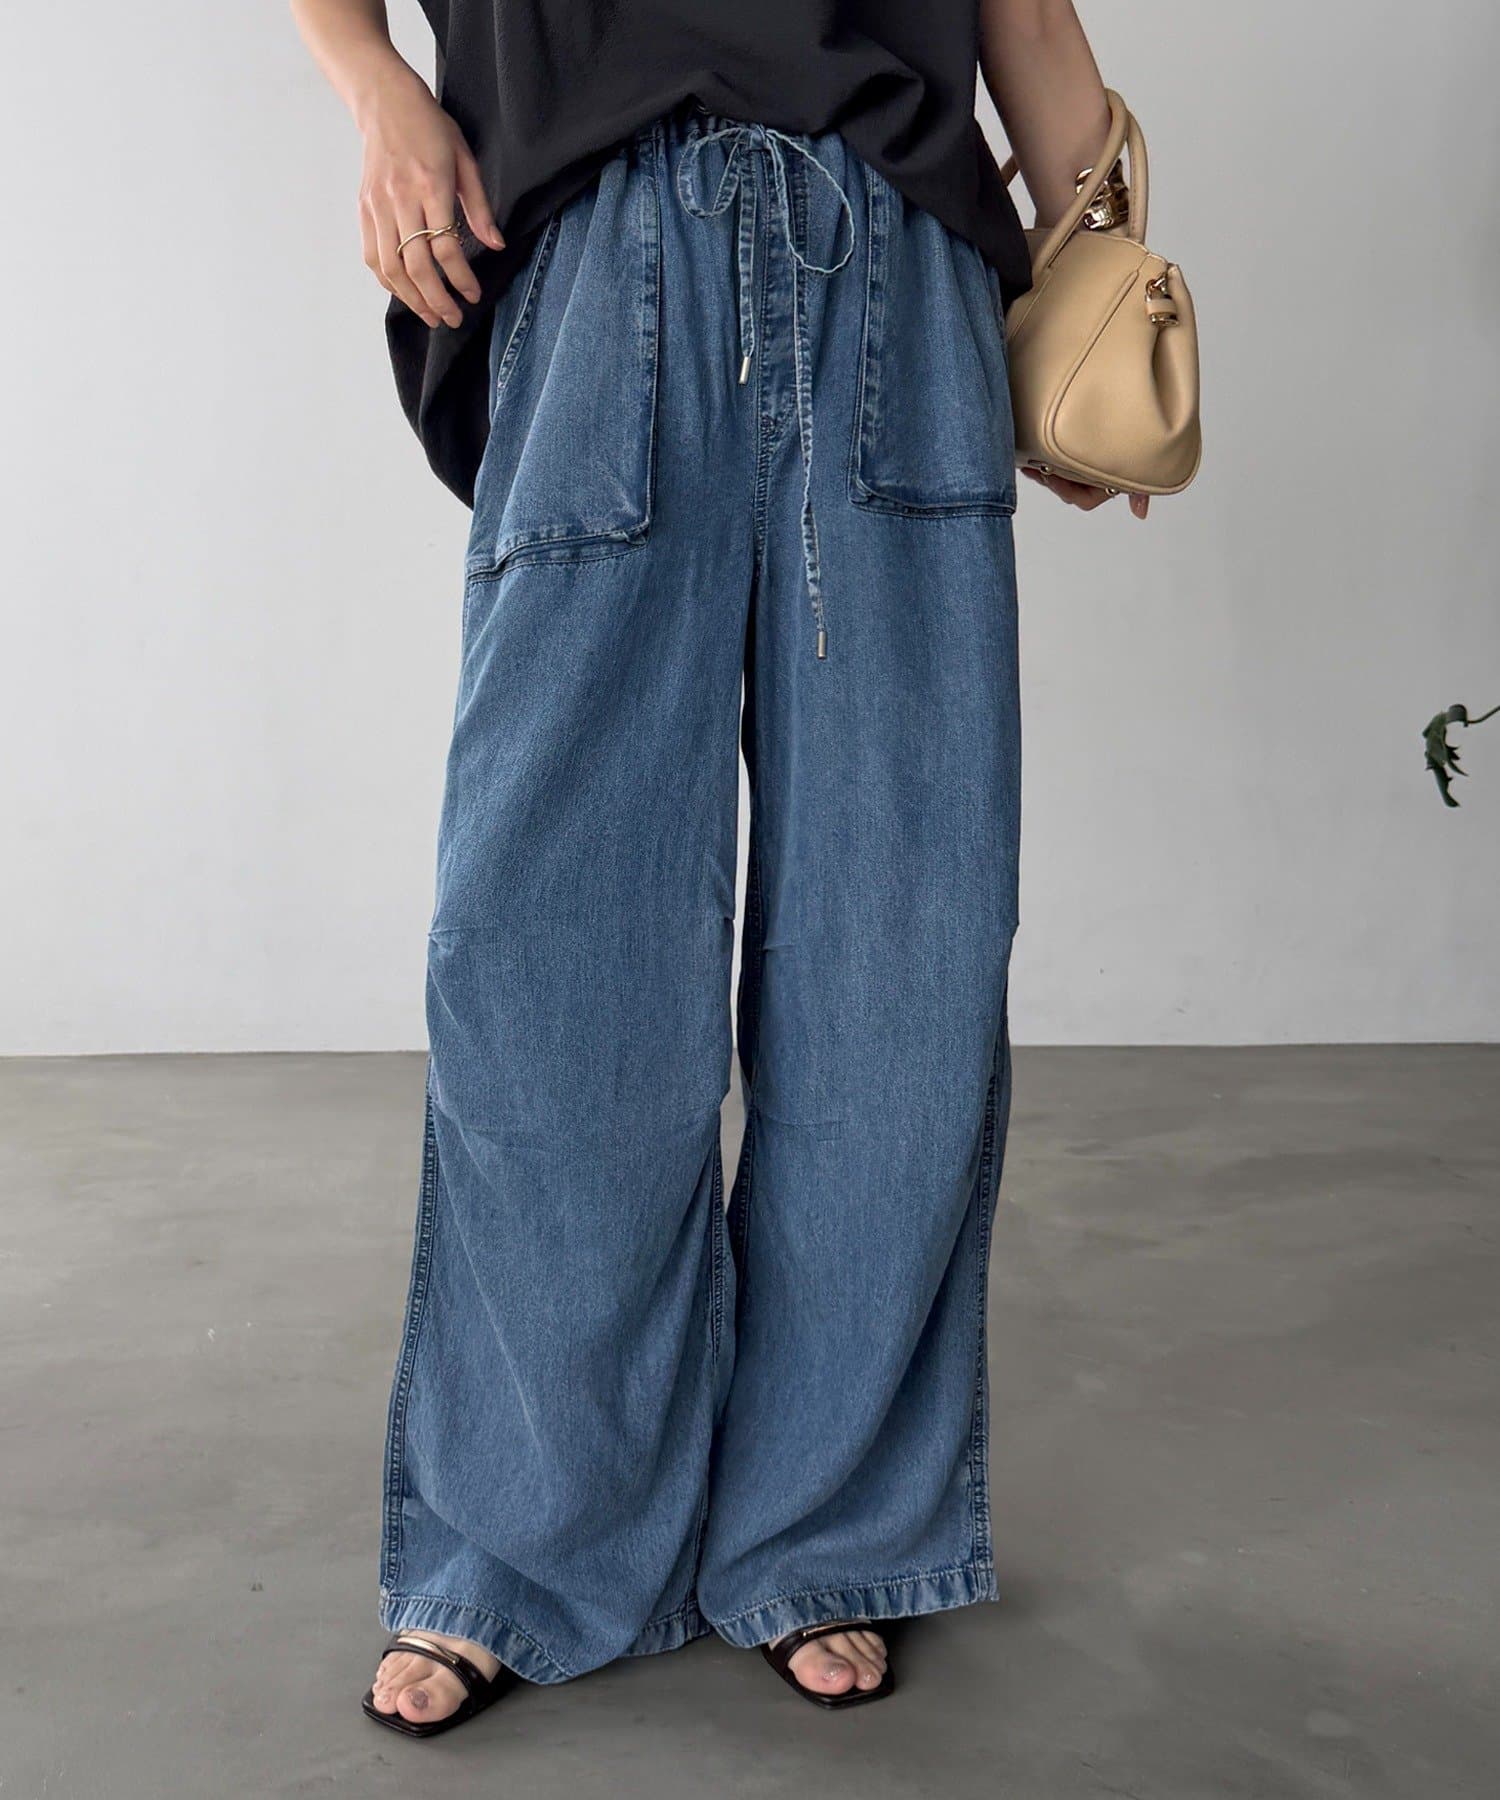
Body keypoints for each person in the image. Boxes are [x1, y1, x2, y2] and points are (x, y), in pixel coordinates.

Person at [290, 0, 1149, 1736]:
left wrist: (1110, 304)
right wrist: (373, 85)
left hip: (892, 266)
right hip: (591, 255)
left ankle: (829, 1534)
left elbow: (1025, 19)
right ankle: (520, 1548)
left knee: (896, 945)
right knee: (547, 953)